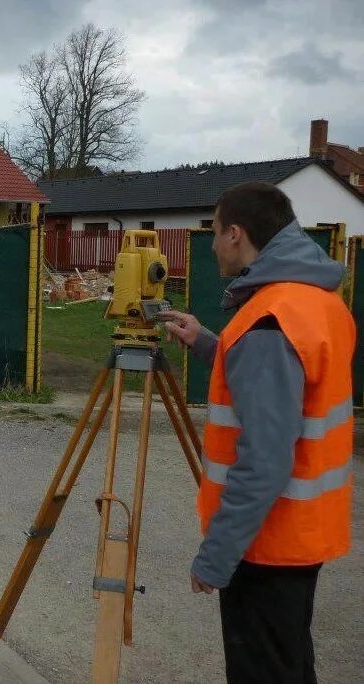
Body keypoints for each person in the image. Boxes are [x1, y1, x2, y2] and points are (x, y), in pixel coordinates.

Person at [159, 182, 354, 683]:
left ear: (236, 236)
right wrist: (207, 342)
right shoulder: (315, 302)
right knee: (288, 663)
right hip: (299, 533)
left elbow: (265, 459)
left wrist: (216, 556)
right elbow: (285, 383)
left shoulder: (268, 322)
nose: (211, 243)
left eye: (215, 231)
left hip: (267, 543)